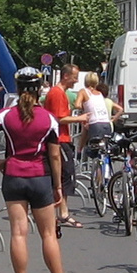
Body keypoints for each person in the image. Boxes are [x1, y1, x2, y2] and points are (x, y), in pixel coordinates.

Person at [0, 67, 82, 273]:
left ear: (18, 89)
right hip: (39, 178)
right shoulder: (48, 118)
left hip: (13, 177)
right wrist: (58, 186)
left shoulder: (5, 115)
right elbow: (54, 156)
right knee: (48, 234)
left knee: (18, 234)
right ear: (40, 88)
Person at [44, 63, 85, 229]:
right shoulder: (58, 93)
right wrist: (80, 119)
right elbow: (59, 118)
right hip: (60, 139)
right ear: (66, 76)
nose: (76, 81)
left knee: (63, 175)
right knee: (65, 175)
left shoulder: (61, 93)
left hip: (62, 139)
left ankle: (61, 212)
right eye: (74, 77)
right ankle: (62, 213)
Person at [76, 74, 120, 156]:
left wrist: (84, 108)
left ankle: (81, 154)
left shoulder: (83, 91)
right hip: (106, 124)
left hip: (95, 124)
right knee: (105, 151)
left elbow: (77, 105)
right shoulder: (99, 94)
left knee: (95, 152)